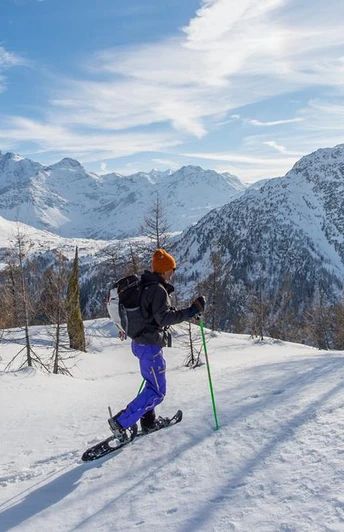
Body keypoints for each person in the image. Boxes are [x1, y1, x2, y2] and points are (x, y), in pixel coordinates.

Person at [108, 248, 205, 441]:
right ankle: (121, 422)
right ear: (164, 270)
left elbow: (154, 314)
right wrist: (191, 311)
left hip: (140, 343)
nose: (173, 272)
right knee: (157, 391)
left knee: (151, 385)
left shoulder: (147, 284)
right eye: (172, 268)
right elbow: (163, 318)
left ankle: (149, 422)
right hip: (149, 346)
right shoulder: (158, 290)